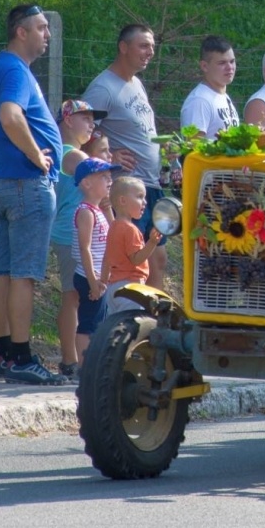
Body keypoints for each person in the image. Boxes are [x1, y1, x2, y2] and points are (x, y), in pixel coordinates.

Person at [0, 3, 65, 385]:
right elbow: (10, 116)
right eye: (42, 28)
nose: (47, 35)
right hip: (26, 184)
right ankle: (22, 357)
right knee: (25, 275)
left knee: (2, 270)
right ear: (22, 32)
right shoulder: (15, 69)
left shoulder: (2, 66)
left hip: (4, 182)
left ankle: (3, 353)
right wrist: (38, 157)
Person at [48, 99, 105, 380]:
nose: (92, 124)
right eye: (85, 118)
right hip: (72, 235)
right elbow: (98, 175)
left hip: (77, 233)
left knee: (77, 296)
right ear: (68, 120)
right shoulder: (73, 156)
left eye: (93, 119)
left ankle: (75, 357)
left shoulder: (76, 154)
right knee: (73, 296)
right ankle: (71, 360)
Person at [82, 24, 162, 192]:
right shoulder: (103, 89)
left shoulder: (136, 83)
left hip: (150, 186)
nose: (150, 52)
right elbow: (78, 136)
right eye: (144, 46)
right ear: (123, 47)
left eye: (152, 47)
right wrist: (108, 157)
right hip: (124, 191)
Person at [71, 156, 120, 360]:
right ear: (87, 183)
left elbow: (115, 232)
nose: (110, 181)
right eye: (103, 177)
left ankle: (93, 363)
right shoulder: (86, 212)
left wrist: (108, 209)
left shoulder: (99, 210)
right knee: (88, 323)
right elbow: (85, 248)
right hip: (89, 276)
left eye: (110, 177)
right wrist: (92, 281)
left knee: (99, 322)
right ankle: (84, 367)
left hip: (100, 277)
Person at [103, 175, 166, 312]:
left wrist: (103, 282)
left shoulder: (113, 227)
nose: (145, 202)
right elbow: (136, 259)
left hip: (112, 288)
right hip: (131, 288)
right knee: (133, 328)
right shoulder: (131, 229)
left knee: (114, 328)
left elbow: (107, 259)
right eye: (139, 197)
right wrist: (152, 242)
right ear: (123, 200)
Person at [180, 35, 241, 139]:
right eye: (222, 63)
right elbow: (193, 149)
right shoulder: (199, 101)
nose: (230, 67)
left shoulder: (223, 97)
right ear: (204, 66)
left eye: (232, 61)